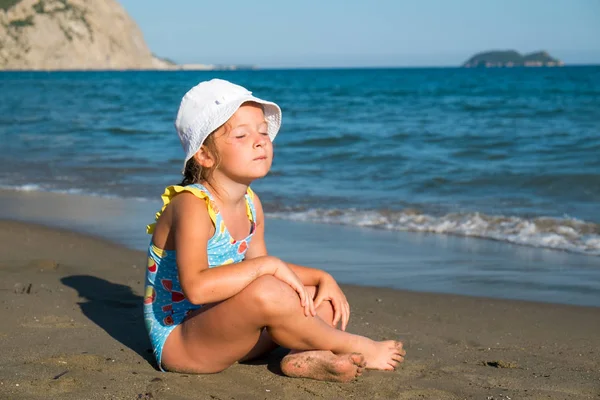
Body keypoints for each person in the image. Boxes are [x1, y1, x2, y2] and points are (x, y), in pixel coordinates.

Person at [143, 79, 405, 382]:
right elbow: (198, 288)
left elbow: (266, 274)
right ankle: (352, 345)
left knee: (319, 297)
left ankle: (300, 357)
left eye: (263, 132)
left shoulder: (251, 203)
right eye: (242, 135)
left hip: (233, 333)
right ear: (204, 155)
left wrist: (321, 277)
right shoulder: (191, 205)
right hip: (185, 344)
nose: (260, 141)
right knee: (269, 290)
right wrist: (267, 267)